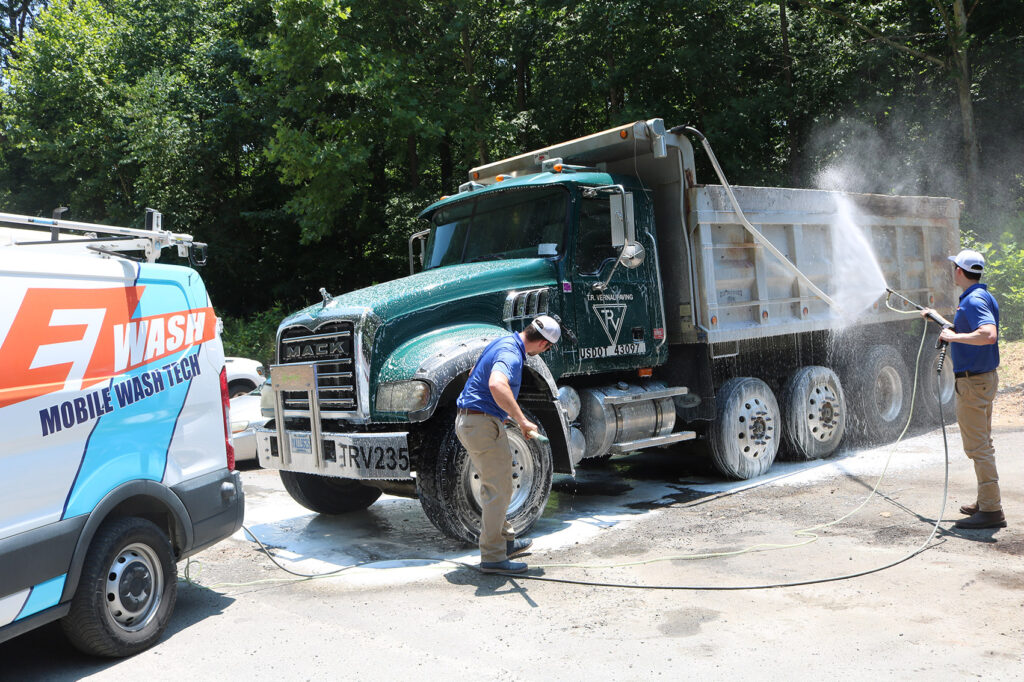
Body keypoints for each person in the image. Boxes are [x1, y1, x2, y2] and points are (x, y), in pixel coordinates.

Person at [454, 315, 561, 573]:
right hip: (480, 423)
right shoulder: (512, 355)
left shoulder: (502, 342)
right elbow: (495, 383)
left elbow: (474, 372)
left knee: (499, 484)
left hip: (476, 421)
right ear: (544, 345)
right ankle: (492, 558)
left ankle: (504, 543)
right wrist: (522, 420)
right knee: (499, 489)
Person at [923, 249, 1005, 530]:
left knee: (977, 447)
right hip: (981, 380)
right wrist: (939, 320)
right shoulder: (981, 296)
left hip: (973, 383)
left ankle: (992, 509)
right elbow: (970, 330)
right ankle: (986, 501)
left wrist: (954, 335)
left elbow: (988, 334)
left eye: (954, 267)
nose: (953, 271)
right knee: (983, 444)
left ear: (959, 271)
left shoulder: (973, 301)